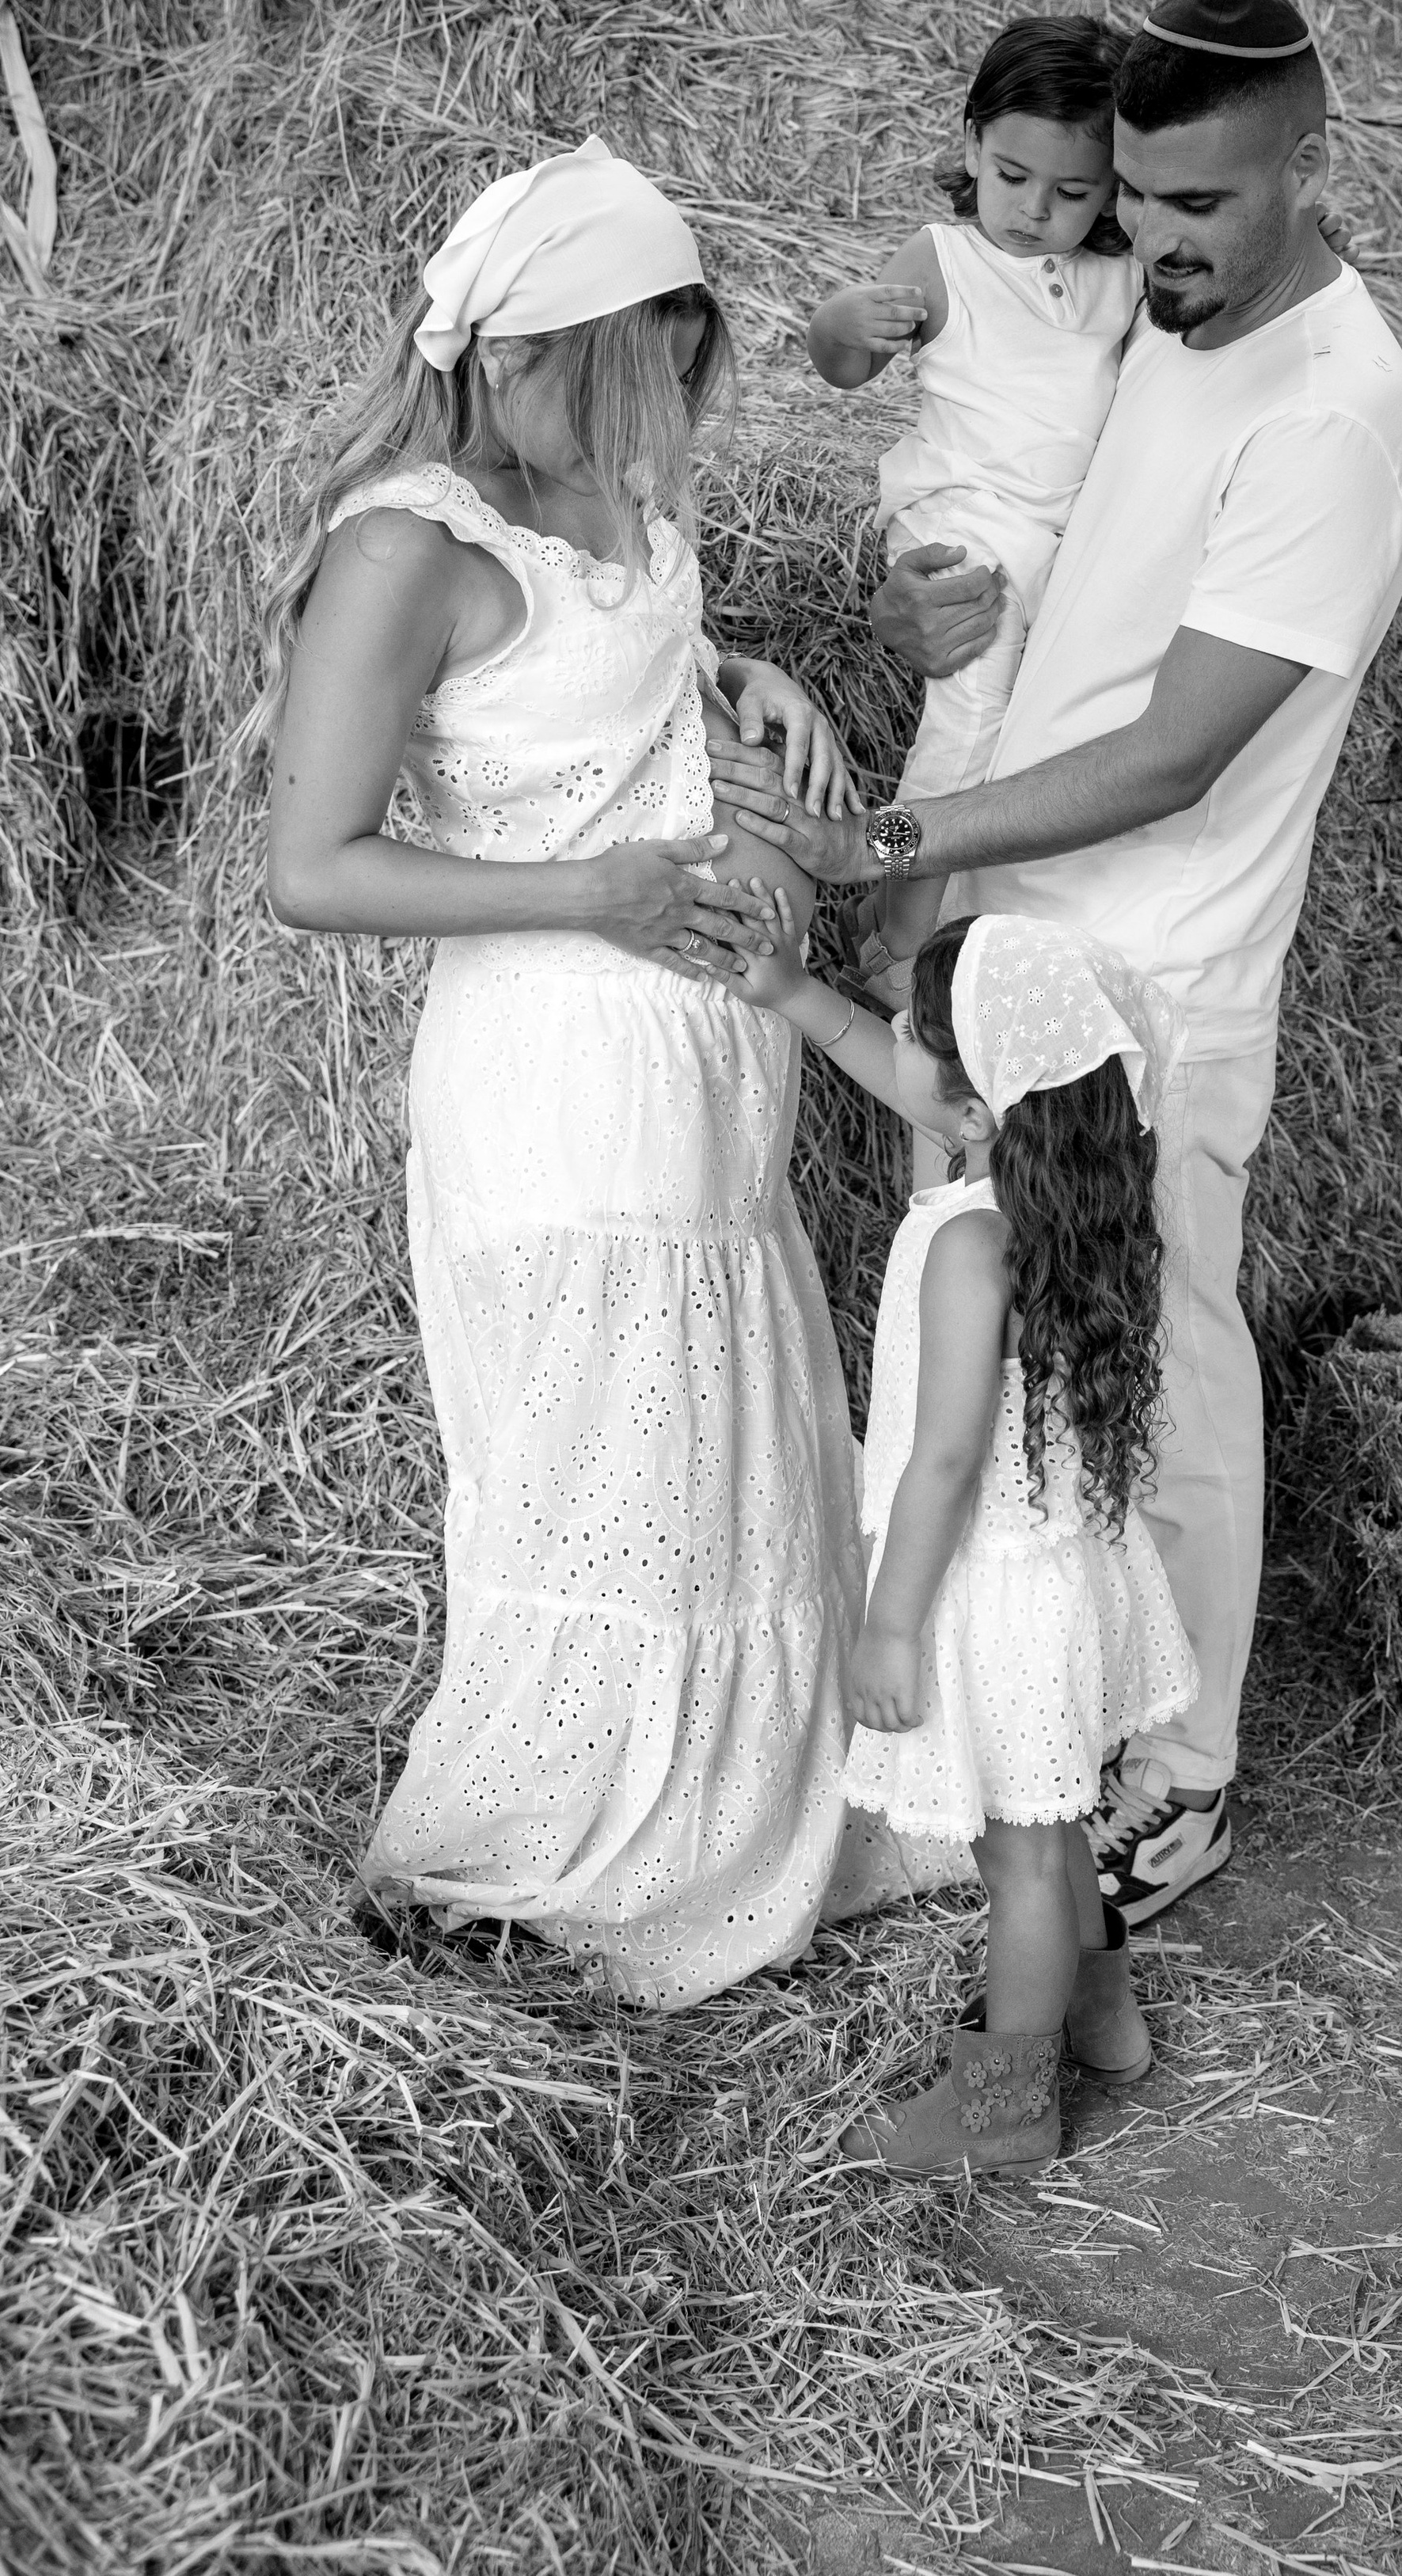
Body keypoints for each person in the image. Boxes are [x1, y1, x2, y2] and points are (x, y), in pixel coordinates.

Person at [716, 0, 1402, 1928]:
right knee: (1011, 1369)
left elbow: (1178, 748)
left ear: (1308, 164)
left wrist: (887, 838)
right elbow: (1008, 495)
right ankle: (1036, 1721)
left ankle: (1184, 1780)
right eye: (1131, 196)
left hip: (1164, 979)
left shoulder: (1334, 415)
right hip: (1026, 947)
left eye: (1197, 200)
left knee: (1167, 1365)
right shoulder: (1162, 315)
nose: (1155, 238)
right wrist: (913, 593)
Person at [255, 135, 870, 2005]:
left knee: (707, 1473)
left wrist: (745, 679)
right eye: (631, 378)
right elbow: (312, 864)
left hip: (699, 1083)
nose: (659, 423)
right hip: (556, 1083)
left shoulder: (614, 511)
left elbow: (591, 686)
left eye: (680, 380)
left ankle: (711, 1813)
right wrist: (589, 891)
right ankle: (548, 1853)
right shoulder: (407, 548)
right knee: (597, 1471)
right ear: (516, 357)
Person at [717, 903, 1197, 2175]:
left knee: (1020, 1856)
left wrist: (887, 1622)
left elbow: (940, 1464)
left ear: (981, 1110)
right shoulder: (1065, 1203)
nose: (901, 1053)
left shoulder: (967, 1246)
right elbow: (902, 1071)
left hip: (987, 1589)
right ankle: (1104, 2021)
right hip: (1059, 1570)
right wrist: (788, 989)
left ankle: (1005, 2111)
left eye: (928, 1042)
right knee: (1055, 1827)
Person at [804, 15, 1138, 1017]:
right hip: (963, 530)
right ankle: (899, 923)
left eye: (1073, 192)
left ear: (1116, 189)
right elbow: (844, 369)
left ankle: (943, 905)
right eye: (1011, 175)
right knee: (968, 722)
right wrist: (838, 326)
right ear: (968, 148)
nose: (1036, 210)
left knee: (1041, 743)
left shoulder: (1118, 283)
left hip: (1058, 542)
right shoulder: (944, 260)